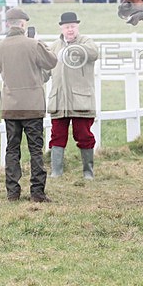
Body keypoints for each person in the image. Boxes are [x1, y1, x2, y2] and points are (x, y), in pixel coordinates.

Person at [0, 7, 58, 203]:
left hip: (11, 105)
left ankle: (12, 192)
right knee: (35, 149)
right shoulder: (33, 44)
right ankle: (37, 192)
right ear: (23, 24)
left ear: (7, 24)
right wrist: (37, 41)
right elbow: (51, 61)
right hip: (32, 105)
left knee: (12, 149)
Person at [47, 12, 99, 180]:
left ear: (77, 27)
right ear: (61, 28)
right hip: (59, 100)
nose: (70, 30)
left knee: (84, 135)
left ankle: (88, 172)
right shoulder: (54, 46)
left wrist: (73, 48)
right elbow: (46, 69)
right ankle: (56, 171)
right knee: (57, 135)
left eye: (73, 26)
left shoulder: (86, 42)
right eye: (67, 27)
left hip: (80, 100)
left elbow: (93, 53)